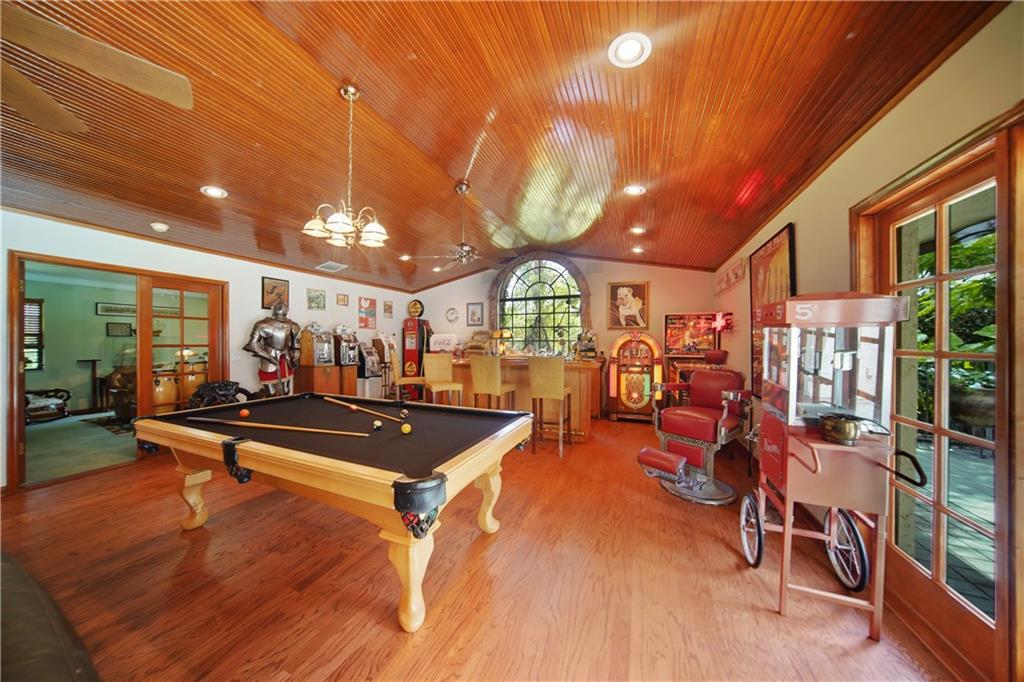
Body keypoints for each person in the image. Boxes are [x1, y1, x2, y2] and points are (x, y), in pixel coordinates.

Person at [243, 302, 300, 395]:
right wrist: (269, 357)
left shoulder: (293, 325)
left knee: (286, 391)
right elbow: (252, 345)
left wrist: (296, 353)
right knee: (271, 393)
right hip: (269, 359)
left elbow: (296, 343)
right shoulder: (262, 324)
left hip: (286, 359)